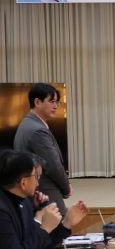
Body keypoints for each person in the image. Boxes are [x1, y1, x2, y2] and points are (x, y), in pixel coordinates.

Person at [0, 149, 88, 249]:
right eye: (36, 176)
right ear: (24, 182)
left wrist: (66, 224)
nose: (38, 183)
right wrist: (45, 228)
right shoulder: (2, 210)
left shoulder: (25, 201)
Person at [13, 83, 72, 214]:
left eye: (57, 102)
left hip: (36, 191)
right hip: (45, 192)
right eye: (52, 101)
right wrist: (66, 187)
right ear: (37, 102)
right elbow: (53, 166)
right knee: (58, 225)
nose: (56, 106)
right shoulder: (37, 130)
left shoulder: (28, 123)